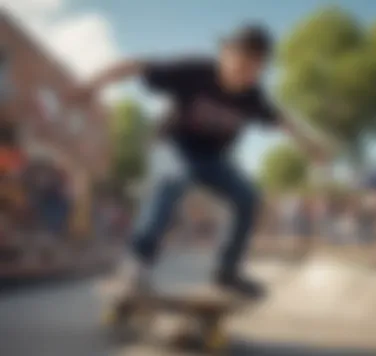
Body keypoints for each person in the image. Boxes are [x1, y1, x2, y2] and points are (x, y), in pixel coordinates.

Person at [69, 24, 330, 297]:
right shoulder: (194, 72)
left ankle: (226, 273)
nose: (244, 77)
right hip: (172, 146)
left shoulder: (253, 96)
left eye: (254, 70)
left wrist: (311, 146)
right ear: (225, 54)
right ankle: (136, 266)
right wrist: (90, 85)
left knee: (247, 197)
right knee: (171, 181)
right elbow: (135, 65)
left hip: (213, 159)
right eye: (240, 65)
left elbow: (282, 120)